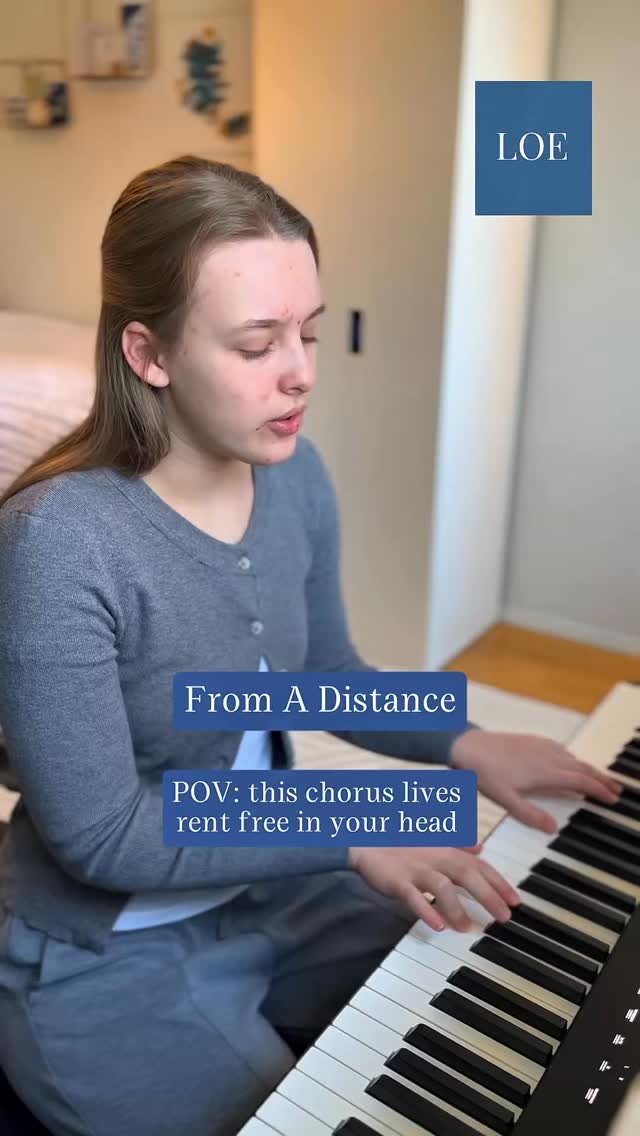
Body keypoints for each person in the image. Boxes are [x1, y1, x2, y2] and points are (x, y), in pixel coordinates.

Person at [0, 156, 619, 1136]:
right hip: (105, 955)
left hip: (263, 885)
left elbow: (323, 674)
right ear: (148, 353)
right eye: (257, 343)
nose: (301, 372)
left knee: (493, 963)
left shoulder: (290, 473)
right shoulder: (58, 542)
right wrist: (355, 822)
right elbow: (103, 830)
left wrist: (467, 742)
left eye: (310, 332)